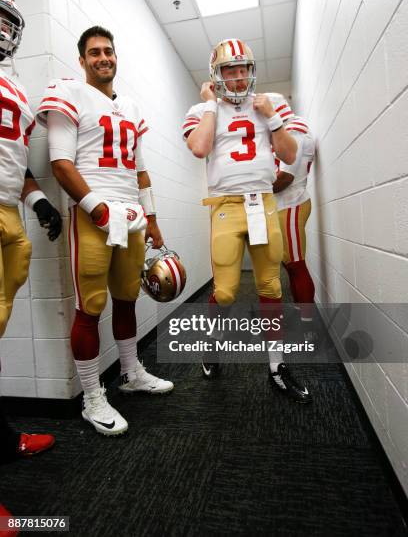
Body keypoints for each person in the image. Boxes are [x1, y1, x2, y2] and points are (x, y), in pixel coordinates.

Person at [36, 26, 173, 437]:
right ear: (82, 61)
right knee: (89, 307)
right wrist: (96, 210)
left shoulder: (130, 106)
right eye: (93, 52)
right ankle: (92, 396)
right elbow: (60, 162)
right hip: (94, 214)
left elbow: (141, 169)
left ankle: (130, 373)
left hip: (131, 215)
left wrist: (150, 217)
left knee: (128, 298)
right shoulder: (70, 92)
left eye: (108, 51)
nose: (103, 58)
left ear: (116, 57)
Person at [182, 38, 311, 403]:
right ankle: (211, 344)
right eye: (229, 71)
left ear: (251, 71)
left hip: (264, 203)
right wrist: (210, 105)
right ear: (217, 75)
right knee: (225, 292)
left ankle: (276, 366)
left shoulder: (272, 103)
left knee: (271, 286)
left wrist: (271, 115)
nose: (238, 78)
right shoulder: (203, 108)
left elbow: (290, 154)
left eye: (243, 70)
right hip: (225, 206)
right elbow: (199, 148)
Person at [0, 0, 62, 462]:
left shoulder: (14, 86)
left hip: (8, 210)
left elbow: (13, 160)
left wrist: (38, 200)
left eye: (6, 18)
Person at [272, 115, 316, 336]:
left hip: (292, 204)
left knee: (297, 265)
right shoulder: (287, 131)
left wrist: (256, 188)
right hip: (284, 206)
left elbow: (285, 178)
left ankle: (309, 327)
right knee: (289, 264)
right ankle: (301, 313)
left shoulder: (294, 130)